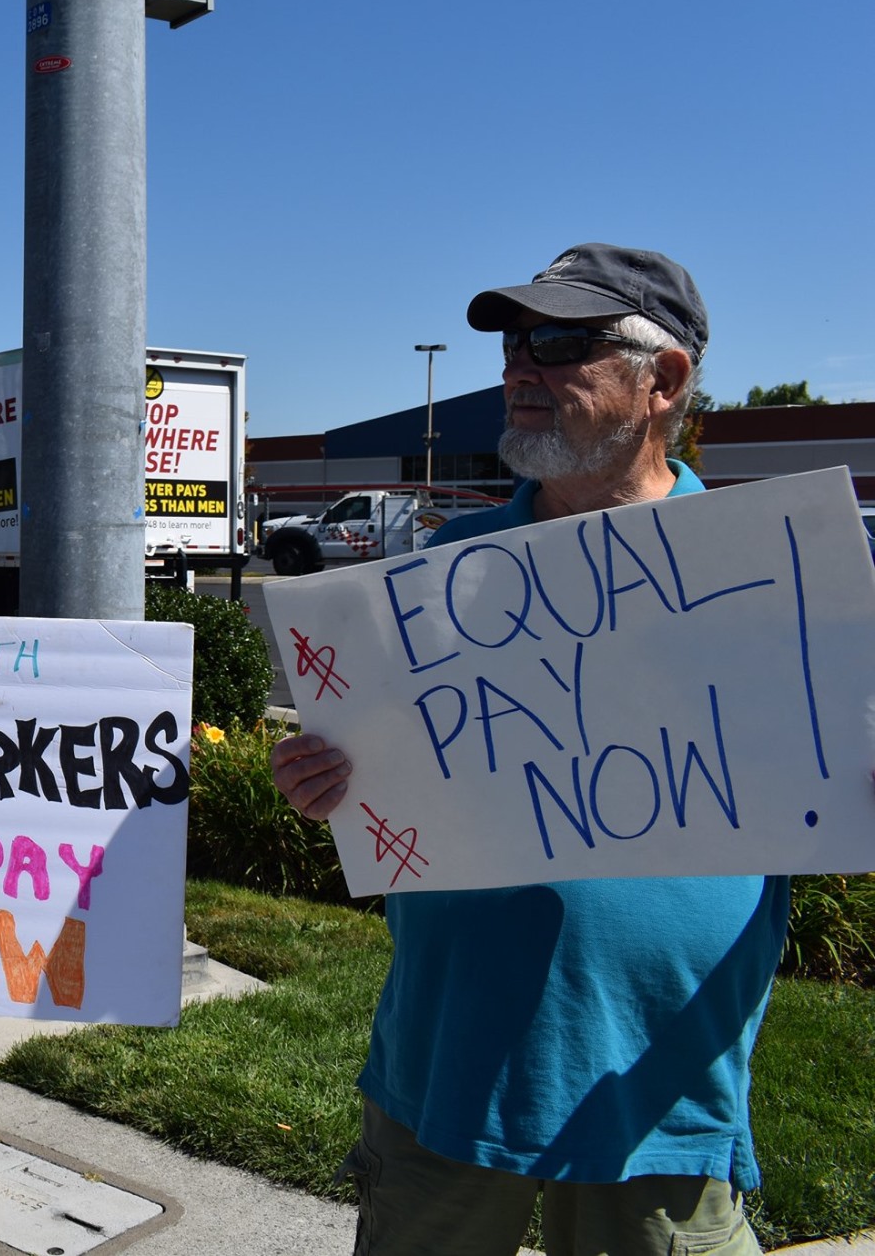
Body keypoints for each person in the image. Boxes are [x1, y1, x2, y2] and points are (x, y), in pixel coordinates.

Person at [270, 244, 788, 1256]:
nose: (517, 369)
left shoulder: (767, 575)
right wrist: (327, 780)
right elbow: (386, 782)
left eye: (558, 344)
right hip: (446, 1068)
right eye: (513, 345)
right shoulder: (439, 573)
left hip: (658, 1091)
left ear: (662, 381)